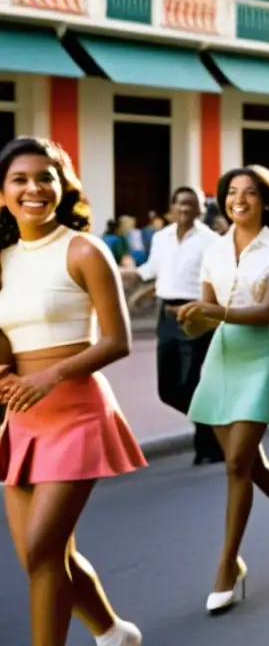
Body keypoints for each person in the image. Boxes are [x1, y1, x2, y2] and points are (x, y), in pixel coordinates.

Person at [0, 137, 147, 646]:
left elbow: (117, 340)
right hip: (21, 420)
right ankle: (114, 633)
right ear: (2, 194)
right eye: (20, 179)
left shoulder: (85, 250)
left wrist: (49, 376)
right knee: (41, 556)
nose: (34, 188)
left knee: (42, 551)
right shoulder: (2, 260)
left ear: (63, 188)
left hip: (76, 411)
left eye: (46, 177)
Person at [177, 165, 269, 615]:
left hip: (260, 356)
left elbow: (263, 314)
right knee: (250, 464)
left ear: (267, 201)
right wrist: (189, 317)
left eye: (250, 192)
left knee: (237, 462)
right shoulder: (213, 249)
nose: (239, 199)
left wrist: (210, 310)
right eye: (231, 192)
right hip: (221, 356)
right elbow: (206, 311)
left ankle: (228, 565)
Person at [128, 186, 222, 464]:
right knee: (168, 390)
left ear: (199, 210)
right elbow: (155, 271)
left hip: (196, 315)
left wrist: (200, 307)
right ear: (171, 207)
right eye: (180, 204)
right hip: (165, 316)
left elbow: (216, 279)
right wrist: (136, 285)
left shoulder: (211, 241)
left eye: (191, 205)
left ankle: (208, 446)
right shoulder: (160, 238)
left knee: (189, 381)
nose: (184, 209)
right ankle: (213, 429)